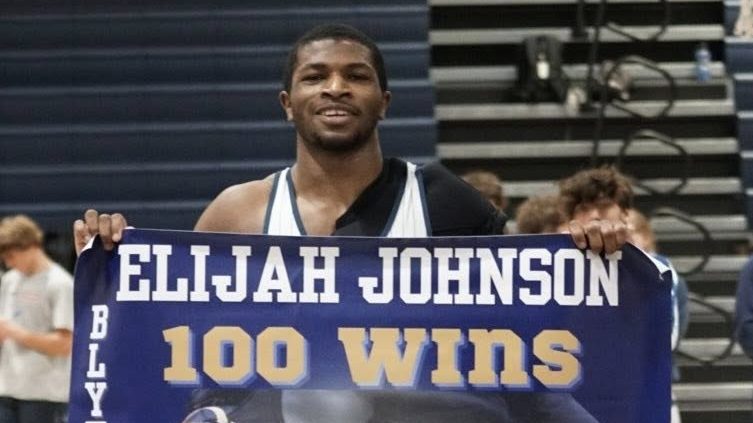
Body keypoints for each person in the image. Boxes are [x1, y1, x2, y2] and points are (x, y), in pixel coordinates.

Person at [74, 23, 627, 423]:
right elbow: (173, 344)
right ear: (287, 103)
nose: (336, 87)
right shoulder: (238, 212)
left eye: (355, 76)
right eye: (315, 76)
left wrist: (589, 255)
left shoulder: (441, 200)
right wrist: (110, 266)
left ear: (383, 101)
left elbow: (530, 329)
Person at [0, 215, 73, 423]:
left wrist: (16, 333)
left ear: (32, 247)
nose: (9, 263)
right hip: (7, 388)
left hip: (44, 394)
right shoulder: (10, 280)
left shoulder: (60, 284)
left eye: (12, 256)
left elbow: (64, 344)